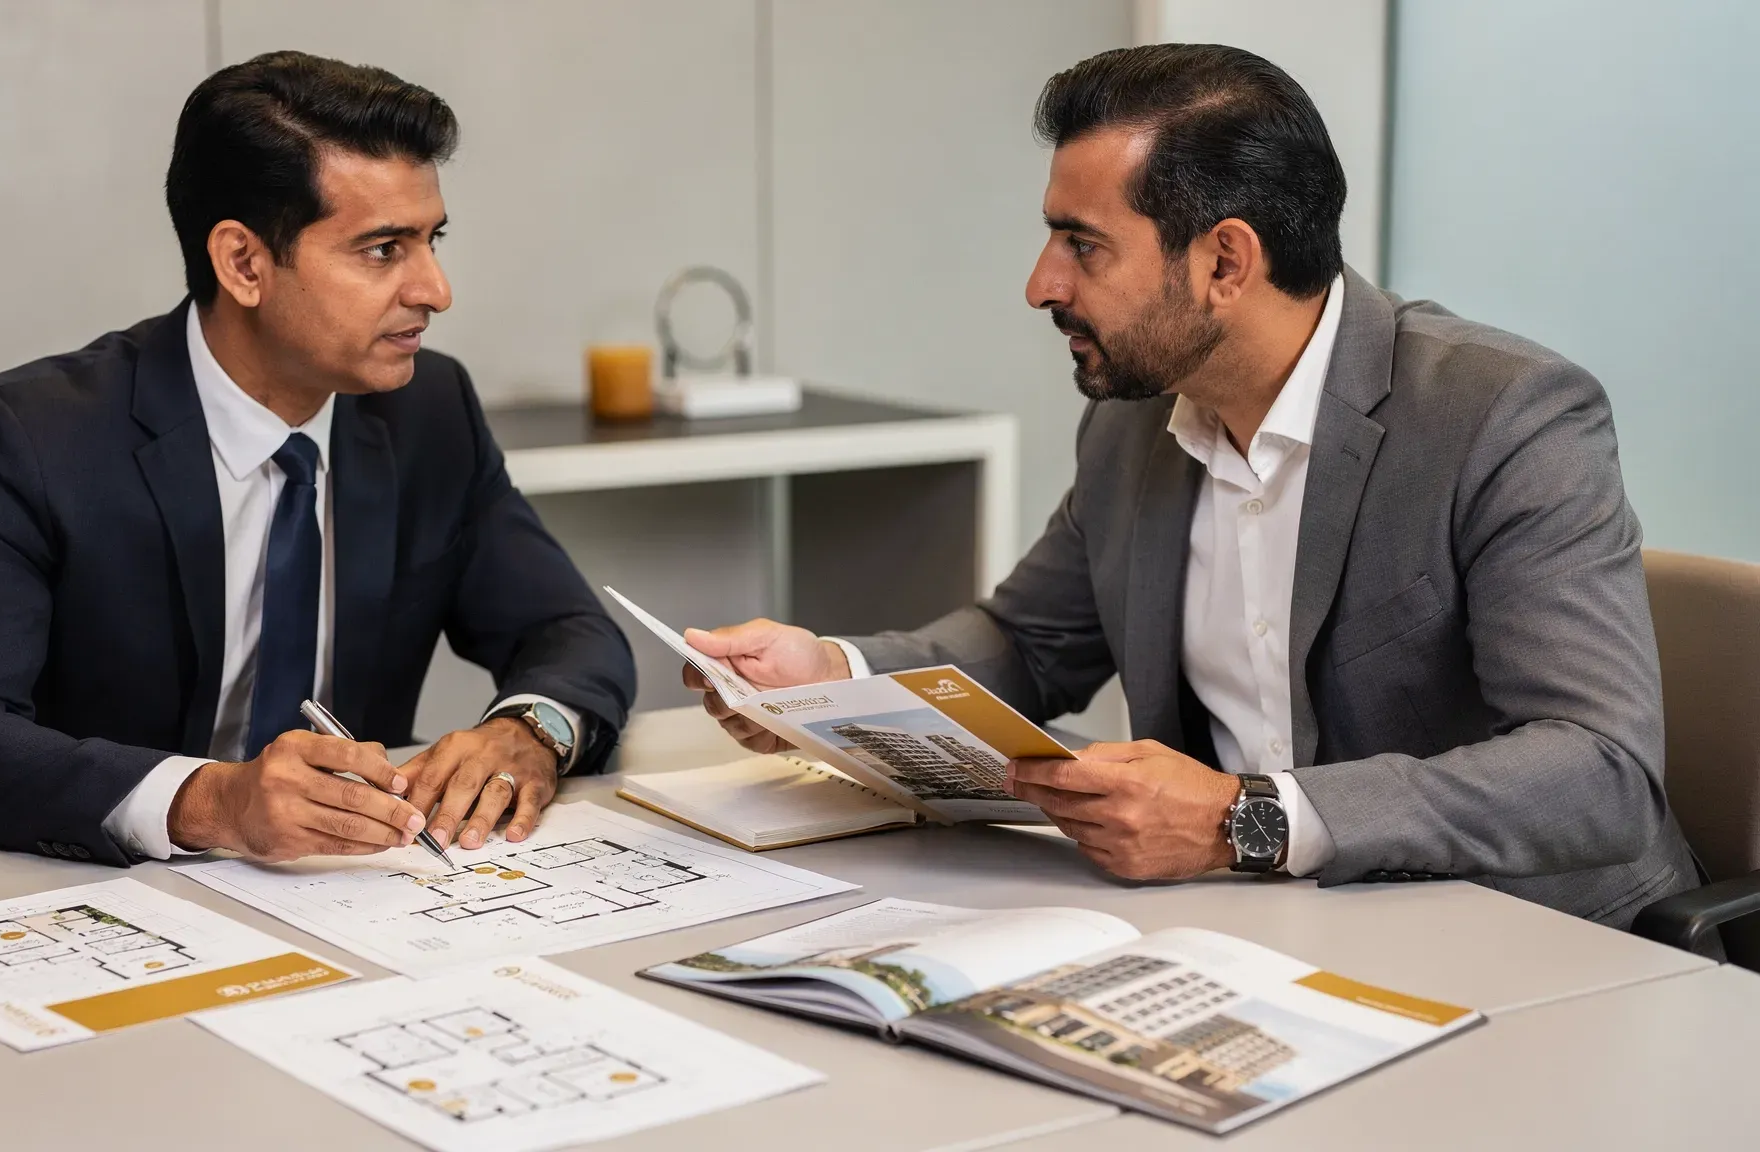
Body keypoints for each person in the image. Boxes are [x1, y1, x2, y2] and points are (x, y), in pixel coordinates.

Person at [685, 43, 1700, 929]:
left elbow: (1595, 771)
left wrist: (1238, 820)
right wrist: (831, 673)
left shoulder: (1503, 418)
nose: (1040, 283)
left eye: (1082, 244)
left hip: (1523, 941)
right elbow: (1029, 644)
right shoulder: (1132, 422)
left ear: (1224, 260)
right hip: (1250, 934)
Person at [0, 52, 634, 866]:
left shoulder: (427, 412)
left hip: (355, 906)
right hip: (98, 907)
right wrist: (209, 801)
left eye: (431, 240)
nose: (436, 289)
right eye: (383, 249)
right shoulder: (27, 437)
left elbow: (569, 630)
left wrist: (530, 730)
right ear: (243, 263)